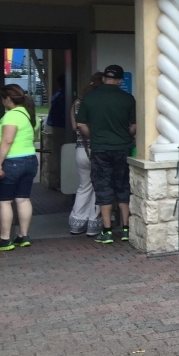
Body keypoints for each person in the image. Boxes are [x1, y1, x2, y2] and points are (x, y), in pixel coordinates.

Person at [76, 64, 137, 245]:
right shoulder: (128, 98)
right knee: (123, 186)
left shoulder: (90, 98)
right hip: (123, 148)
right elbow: (134, 126)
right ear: (120, 80)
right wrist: (125, 136)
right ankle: (126, 229)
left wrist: (93, 136)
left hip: (100, 148)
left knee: (103, 188)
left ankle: (107, 231)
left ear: (104, 78)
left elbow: (81, 124)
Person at [0, 85, 39, 252]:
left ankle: (5, 238)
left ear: (7, 99)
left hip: (12, 161)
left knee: (4, 201)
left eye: (3, 99)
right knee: (23, 199)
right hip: (30, 160)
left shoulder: (11, 115)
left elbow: (7, 140)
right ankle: (23, 236)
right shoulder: (29, 115)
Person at [68, 72, 104, 237]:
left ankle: (77, 221)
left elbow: (75, 126)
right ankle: (93, 223)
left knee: (84, 186)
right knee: (98, 186)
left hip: (81, 149)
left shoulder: (77, 103)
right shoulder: (98, 102)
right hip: (97, 149)